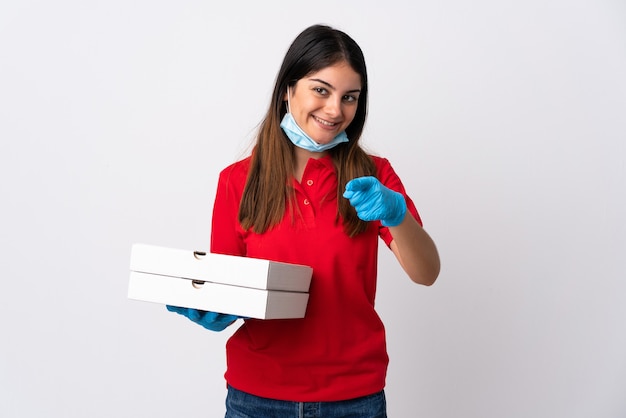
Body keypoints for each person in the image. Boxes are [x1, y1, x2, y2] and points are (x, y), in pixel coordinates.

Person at [167, 24, 440, 417]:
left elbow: (426, 272)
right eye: (321, 90)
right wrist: (213, 308)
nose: (334, 110)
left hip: (354, 399)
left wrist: (396, 215)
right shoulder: (236, 181)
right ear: (288, 89)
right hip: (255, 398)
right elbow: (232, 289)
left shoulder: (372, 177)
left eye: (349, 97)